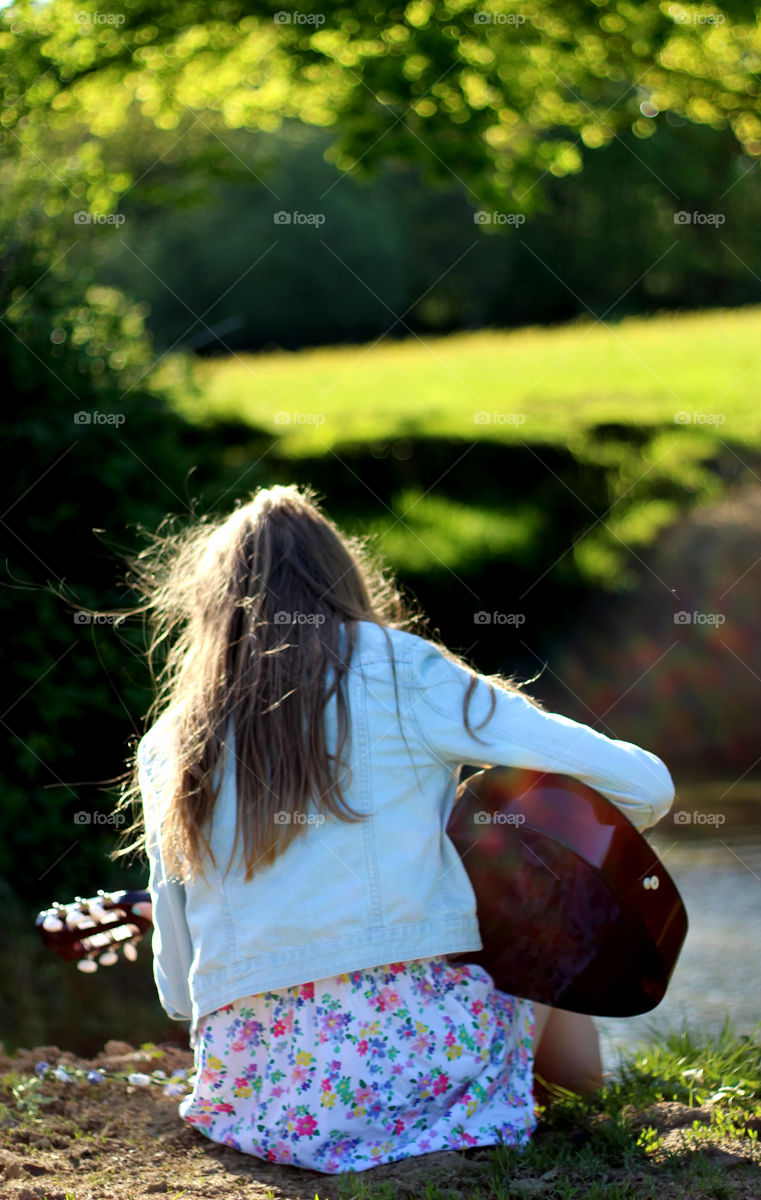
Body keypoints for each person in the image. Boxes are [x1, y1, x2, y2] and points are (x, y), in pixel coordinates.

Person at [114, 484, 674, 1174]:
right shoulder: (407, 670)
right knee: (546, 900)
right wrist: (514, 852)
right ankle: (574, 1103)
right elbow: (645, 786)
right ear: (341, 577)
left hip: (261, 1102)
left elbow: (178, 987)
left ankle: (541, 1099)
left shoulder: (171, 738)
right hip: (415, 1072)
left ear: (212, 603)